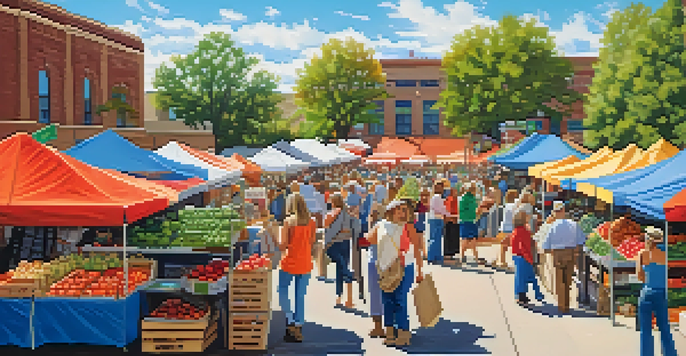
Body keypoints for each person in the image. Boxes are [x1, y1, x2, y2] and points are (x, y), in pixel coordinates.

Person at [365, 199, 424, 346]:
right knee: (387, 301)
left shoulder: (408, 226)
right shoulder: (382, 225)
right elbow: (369, 239)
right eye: (399, 209)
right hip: (385, 269)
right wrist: (372, 222)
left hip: (405, 267)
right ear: (392, 211)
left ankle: (403, 333)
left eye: (405, 210)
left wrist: (420, 270)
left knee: (400, 300)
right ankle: (390, 333)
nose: (403, 212)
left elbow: (417, 247)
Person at [278, 193, 317, 342]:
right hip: (305, 262)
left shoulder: (288, 222)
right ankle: (299, 325)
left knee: (282, 291)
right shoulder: (311, 221)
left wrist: (271, 235)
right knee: (300, 295)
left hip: (290, 261)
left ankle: (290, 320)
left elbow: (283, 245)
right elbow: (312, 241)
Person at [637, 227, 677, 356]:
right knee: (664, 327)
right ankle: (670, 353)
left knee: (646, 329)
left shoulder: (643, 254)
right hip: (661, 293)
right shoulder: (666, 254)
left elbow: (640, 276)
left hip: (647, 293)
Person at [540, 201, 586, 314]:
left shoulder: (553, 226)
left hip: (557, 254)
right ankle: (567, 304)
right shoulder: (573, 224)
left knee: (559, 280)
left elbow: (546, 243)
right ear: (564, 211)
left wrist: (546, 250)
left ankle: (562, 305)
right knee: (568, 280)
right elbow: (581, 240)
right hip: (570, 253)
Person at [324, 194, 360, 308]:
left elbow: (325, 224)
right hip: (346, 243)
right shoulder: (348, 214)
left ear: (333, 202)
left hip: (334, 244)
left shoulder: (332, 213)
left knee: (341, 268)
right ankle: (346, 298)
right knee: (341, 268)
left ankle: (339, 296)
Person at [511, 211, 544, 305]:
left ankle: (524, 295)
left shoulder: (516, 230)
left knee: (522, 277)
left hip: (518, 256)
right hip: (523, 257)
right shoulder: (523, 231)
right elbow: (523, 246)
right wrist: (529, 258)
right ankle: (525, 295)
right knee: (526, 277)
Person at [494, 190, 519, 268]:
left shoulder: (507, 205)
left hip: (504, 227)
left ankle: (500, 260)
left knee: (503, 245)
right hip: (511, 227)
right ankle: (501, 261)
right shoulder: (514, 206)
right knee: (510, 245)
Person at [427, 181, 449, 264]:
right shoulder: (436, 197)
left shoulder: (437, 197)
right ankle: (432, 257)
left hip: (437, 218)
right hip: (435, 219)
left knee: (437, 238)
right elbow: (438, 209)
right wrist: (448, 214)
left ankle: (436, 256)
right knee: (435, 238)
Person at [459, 183, 480, 264]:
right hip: (468, 220)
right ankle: (472, 256)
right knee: (469, 239)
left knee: (468, 239)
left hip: (467, 220)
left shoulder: (467, 198)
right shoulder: (468, 198)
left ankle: (465, 256)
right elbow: (472, 209)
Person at [443, 187, 460, 263]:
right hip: (450, 220)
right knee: (449, 237)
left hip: (455, 219)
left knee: (454, 237)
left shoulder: (456, 199)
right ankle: (448, 253)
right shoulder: (449, 199)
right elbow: (448, 209)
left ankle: (453, 253)